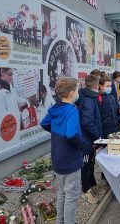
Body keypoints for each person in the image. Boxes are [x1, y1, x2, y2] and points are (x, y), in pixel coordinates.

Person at [40, 78, 86, 224]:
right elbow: (72, 134)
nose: (78, 93)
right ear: (72, 93)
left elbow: (44, 123)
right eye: (77, 90)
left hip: (58, 157)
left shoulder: (55, 108)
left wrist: (56, 132)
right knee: (71, 195)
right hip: (70, 158)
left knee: (62, 193)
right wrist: (83, 144)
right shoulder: (71, 110)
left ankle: (59, 221)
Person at [78, 74, 102, 204]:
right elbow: (87, 122)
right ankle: (85, 190)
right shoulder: (88, 100)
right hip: (87, 140)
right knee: (86, 164)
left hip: (90, 140)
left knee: (91, 162)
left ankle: (91, 184)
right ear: (96, 85)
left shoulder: (90, 97)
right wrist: (97, 135)